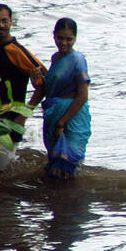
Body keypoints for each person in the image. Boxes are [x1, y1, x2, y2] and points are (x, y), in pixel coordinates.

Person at [0, 3, 47, 177]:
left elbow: (45, 83)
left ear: (11, 22)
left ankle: (8, 203)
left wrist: (23, 116)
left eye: (5, 21)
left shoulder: (17, 51)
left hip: (12, 120)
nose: (1, 25)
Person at [41, 18, 91, 180]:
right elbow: (50, 88)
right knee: (54, 164)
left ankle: (74, 200)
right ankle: (58, 201)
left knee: (69, 165)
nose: (63, 43)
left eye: (68, 39)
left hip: (73, 117)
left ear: (75, 38)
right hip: (54, 114)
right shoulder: (55, 58)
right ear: (53, 36)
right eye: (60, 38)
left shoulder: (78, 60)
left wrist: (62, 122)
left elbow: (82, 96)